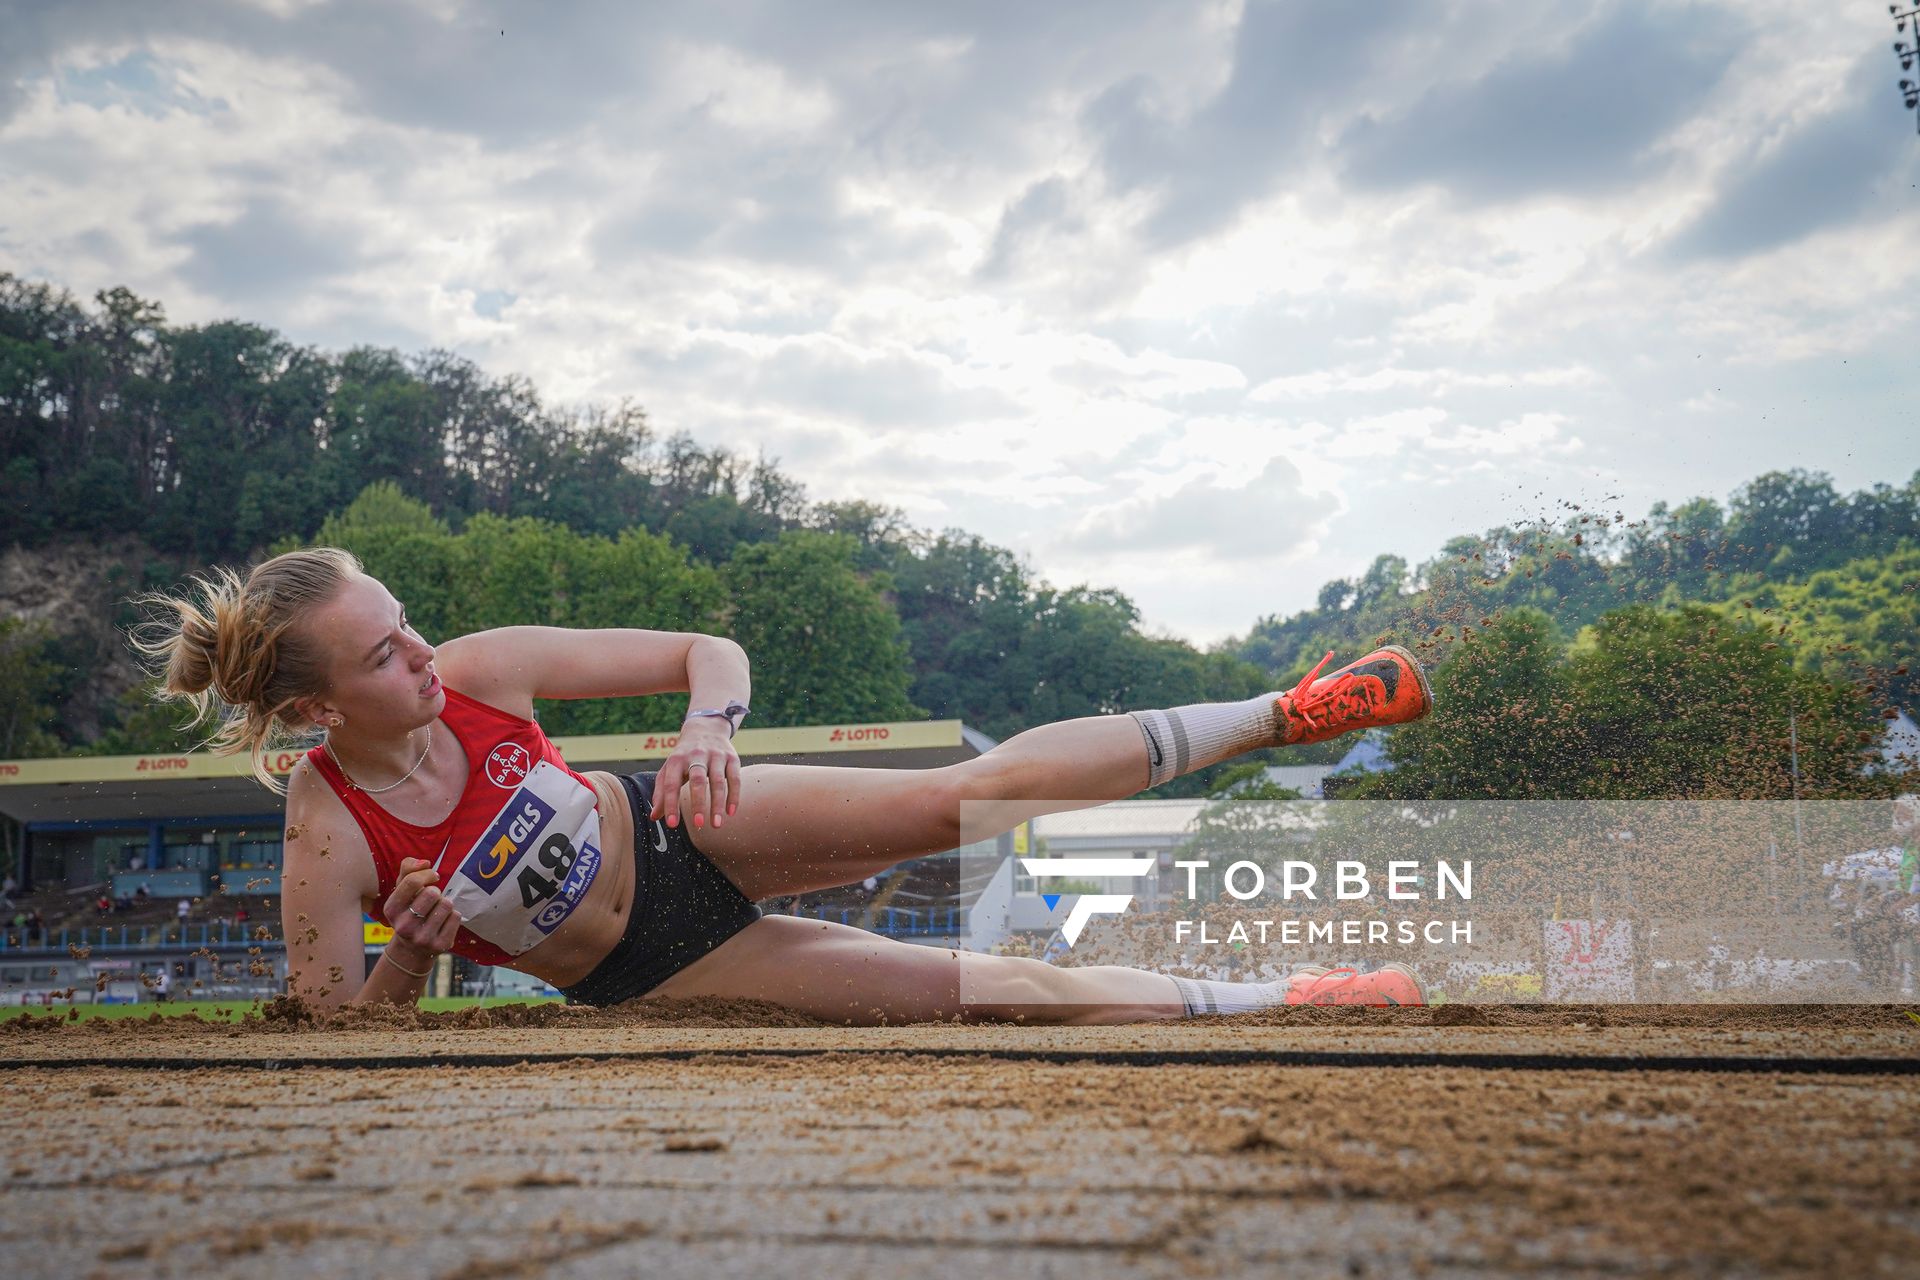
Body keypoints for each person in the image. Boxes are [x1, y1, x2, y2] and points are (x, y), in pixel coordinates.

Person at [128, 547, 1434, 1024]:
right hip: (661, 963)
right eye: (384, 653)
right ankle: (1295, 998)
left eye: (408, 624)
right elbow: (332, 1031)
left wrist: (710, 721)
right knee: (998, 993)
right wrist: (412, 957)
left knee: (956, 797)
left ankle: (1288, 708)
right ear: (314, 708)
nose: (422, 653)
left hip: (682, 818)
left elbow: (712, 647)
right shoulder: (324, 825)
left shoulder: (483, 671)